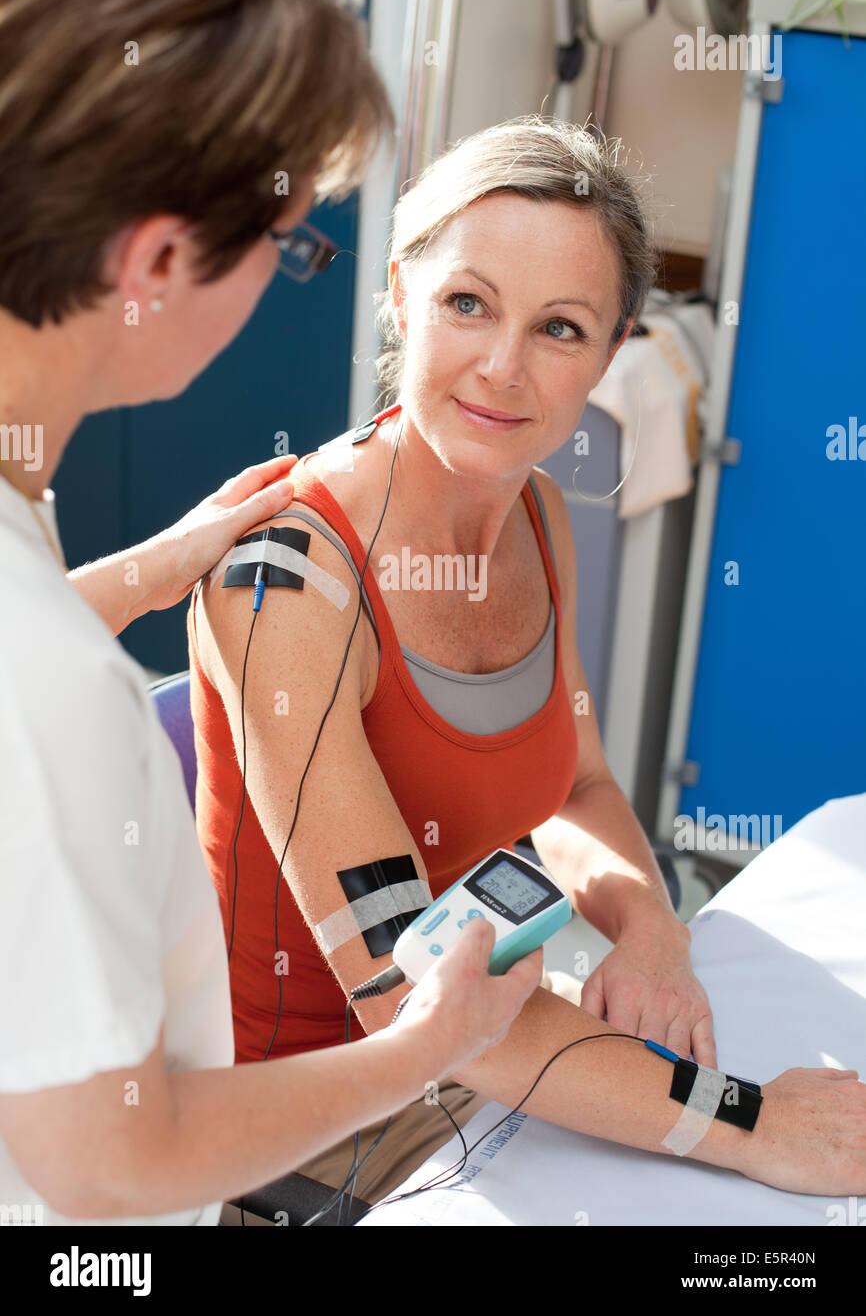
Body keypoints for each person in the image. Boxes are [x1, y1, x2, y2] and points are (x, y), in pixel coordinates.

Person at [192, 114, 866, 1205]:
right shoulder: (288, 586)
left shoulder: (536, 516)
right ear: (402, 295)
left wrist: (645, 924)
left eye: (559, 328)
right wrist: (742, 1115)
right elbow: (406, 1000)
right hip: (305, 1133)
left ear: (611, 351)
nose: (502, 369)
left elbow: (580, 785)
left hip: (486, 1063)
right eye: (467, 303)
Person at [0, 0, 542, 1226]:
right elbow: (114, 1161)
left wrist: (140, 573)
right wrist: (426, 1043)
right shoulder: (48, 687)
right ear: (158, 260)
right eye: (291, 248)